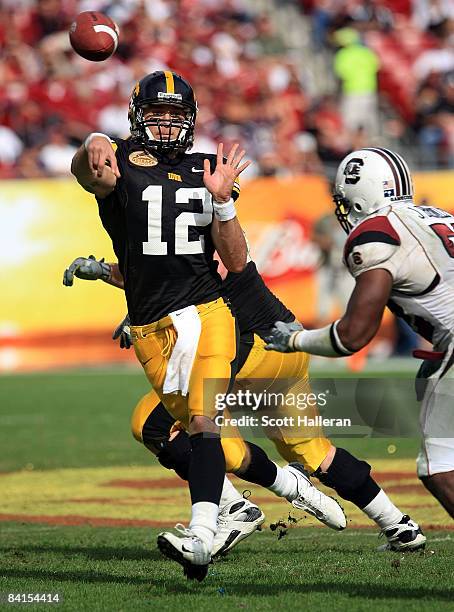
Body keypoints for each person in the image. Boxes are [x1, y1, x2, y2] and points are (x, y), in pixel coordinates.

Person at [69, 70, 344, 580]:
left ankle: (203, 531)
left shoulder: (207, 168)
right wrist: (90, 144)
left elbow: (233, 260)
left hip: (205, 313)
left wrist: (222, 198)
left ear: (192, 121)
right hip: (153, 324)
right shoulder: (121, 159)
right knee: (161, 429)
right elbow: (92, 175)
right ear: (136, 116)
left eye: (178, 116)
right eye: (159, 114)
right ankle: (276, 490)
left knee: (202, 424)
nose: (169, 125)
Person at [64, 248, 425, 553]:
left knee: (154, 424)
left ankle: (239, 505)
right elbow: (173, 275)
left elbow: (176, 277)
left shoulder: (193, 235)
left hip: (247, 349)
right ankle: (398, 524)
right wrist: (112, 278)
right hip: (287, 346)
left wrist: (133, 302)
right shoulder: (206, 234)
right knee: (316, 452)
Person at [266, 146, 454, 520]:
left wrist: (294, 340)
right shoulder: (439, 216)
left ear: (359, 193)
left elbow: (352, 336)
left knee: (439, 467)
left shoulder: (376, 234)